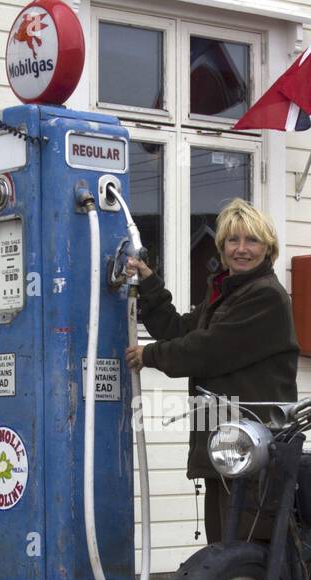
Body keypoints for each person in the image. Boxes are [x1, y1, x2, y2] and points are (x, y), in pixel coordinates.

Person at [124, 198, 299, 543]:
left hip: (254, 448)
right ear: (221, 247)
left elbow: (207, 350)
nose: (241, 249)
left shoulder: (266, 297)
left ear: (269, 249)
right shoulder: (227, 294)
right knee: (223, 554)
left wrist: (149, 355)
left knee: (249, 558)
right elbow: (180, 329)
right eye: (233, 240)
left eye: (252, 241)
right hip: (227, 447)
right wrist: (149, 284)